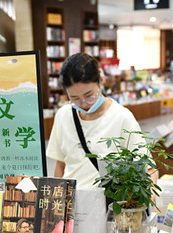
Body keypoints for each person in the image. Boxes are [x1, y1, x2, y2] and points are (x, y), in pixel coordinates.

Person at [47, 53, 145, 188]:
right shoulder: (63, 115)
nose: (83, 103)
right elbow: (60, 165)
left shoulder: (122, 117)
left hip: (107, 200)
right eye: (75, 98)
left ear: (101, 81)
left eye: (89, 95)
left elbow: (145, 167)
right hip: (71, 199)